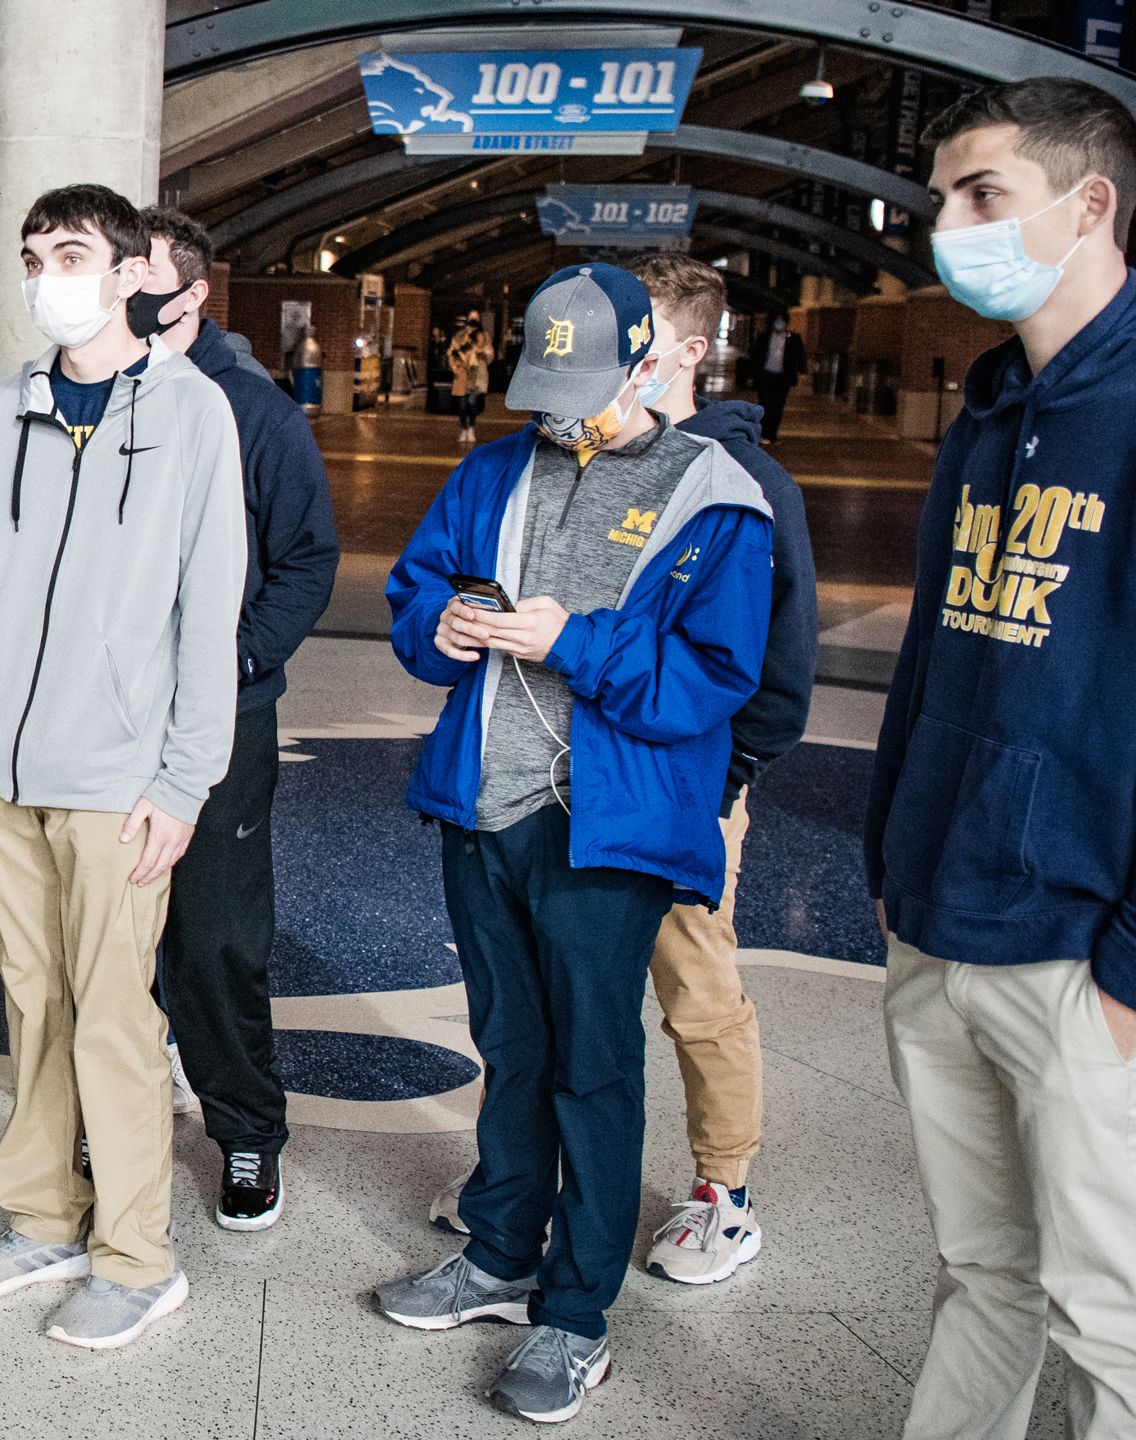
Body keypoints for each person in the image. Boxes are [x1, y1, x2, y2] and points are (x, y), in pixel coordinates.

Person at [375, 262, 772, 1423]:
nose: (562, 410)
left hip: (608, 827)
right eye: (545, 385)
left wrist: (572, 641)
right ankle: (498, 1252)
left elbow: (713, 680)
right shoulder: (495, 466)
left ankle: (575, 1313)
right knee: (509, 1041)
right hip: (482, 803)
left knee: (593, 1068)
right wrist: (437, 627)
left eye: (585, 384)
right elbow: (414, 589)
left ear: (650, 359)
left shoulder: (715, 495)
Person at [0, 184, 246, 1351]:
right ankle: (42, 1220)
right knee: (30, 1002)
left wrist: (183, 779)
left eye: (69, 254)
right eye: (30, 255)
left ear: (127, 276)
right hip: (0, 769)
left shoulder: (192, 413)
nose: (44, 274)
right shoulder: (3, 408)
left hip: (116, 779)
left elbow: (209, 610)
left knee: (112, 1016)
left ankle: (137, 1257)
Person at [872, 77, 1136, 1440]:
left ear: (1088, 205)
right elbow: (936, 661)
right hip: (936, 918)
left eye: (984, 197)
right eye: (942, 200)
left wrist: (1129, 974)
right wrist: (889, 860)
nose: (948, 227)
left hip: (1076, 955)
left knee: (1112, 1317)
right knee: (982, 1273)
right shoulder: (984, 417)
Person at [132, 206, 339, 1233]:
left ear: (194, 292)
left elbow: (306, 563)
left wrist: (232, 660)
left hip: (222, 717)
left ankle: (246, 1128)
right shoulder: (95, 394)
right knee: (112, 933)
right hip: (109, 718)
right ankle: (112, 1115)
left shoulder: (255, 411)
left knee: (215, 936)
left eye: (143, 274)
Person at [625, 252, 818, 1285]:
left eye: (637, 335)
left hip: (690, 785)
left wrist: (730, 769)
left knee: (696, 985)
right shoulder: (588, 457)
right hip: (581, 776)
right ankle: (537, 1174)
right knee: (567, 986)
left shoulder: (748, 483)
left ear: (691, 350)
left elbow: (782, 660)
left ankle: (722, 1194)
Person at [748, 314, 805, 445]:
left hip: (782, 378)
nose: (779, 323)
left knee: (777, 406)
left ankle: (771, 434)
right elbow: (756, 356)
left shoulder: (793, 338)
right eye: (777, 321)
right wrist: (753, 375)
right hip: (766, 376)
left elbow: (799, 356)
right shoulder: (764, 338)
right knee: (764, 405)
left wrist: (801, 371)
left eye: (782, 321)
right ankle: (761, 433)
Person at [449, 309, 493, 445]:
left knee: (473, 404)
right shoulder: (460, 336)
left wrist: (481, 353)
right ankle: (463, 428)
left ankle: (471, 428)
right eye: (471, 317)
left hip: (477, 375)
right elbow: (452, 352)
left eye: (476, 318)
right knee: (462, 405)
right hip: (462, 374)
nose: (473, 320)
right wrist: (454, 367)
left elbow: (490, 353)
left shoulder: (484, 336)